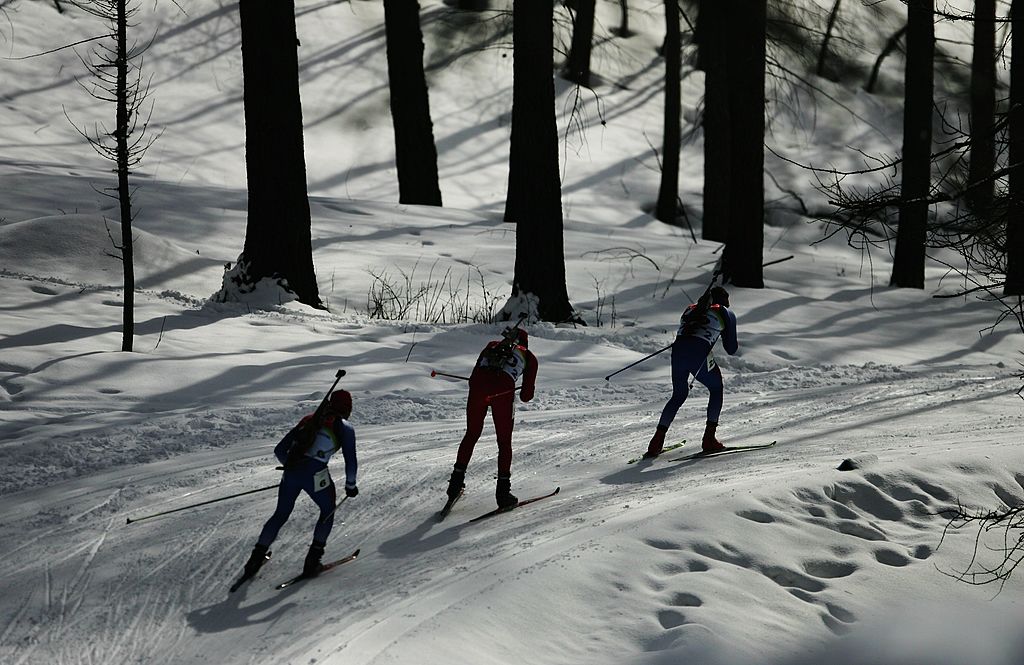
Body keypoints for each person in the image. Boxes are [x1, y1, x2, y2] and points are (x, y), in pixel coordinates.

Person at [242, 390, 358, 579]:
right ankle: (312, 562)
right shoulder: (344, 427)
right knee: (327, 510)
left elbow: (279, 450)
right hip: (315, 473)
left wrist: (292, 467)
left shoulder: (309, 420)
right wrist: (350, 485)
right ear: (348, 408)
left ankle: (254, 561)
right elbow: (351, 461)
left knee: (280, 514)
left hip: (291, 472)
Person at [446, 327, 538, 508]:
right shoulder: (529, 357)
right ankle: (503, 493)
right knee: (504, 442)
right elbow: (526, 397)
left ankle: (454, 485)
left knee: (471, 434)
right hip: (502, 391)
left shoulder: (492, 345)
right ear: (525, 343)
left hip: (478, 388)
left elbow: (473, 377)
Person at [645, 285, 738, 458]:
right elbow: (731, 349)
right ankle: (709, 439)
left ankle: (656, 443)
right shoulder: (725, 312)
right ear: (724, 300)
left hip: (678, 352)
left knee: (679, 395)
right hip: (698, 354)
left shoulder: (690, 308)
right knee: (716, 388)